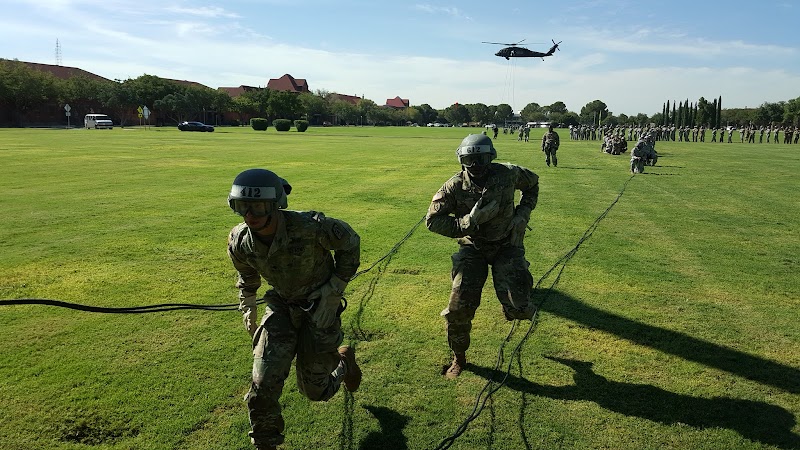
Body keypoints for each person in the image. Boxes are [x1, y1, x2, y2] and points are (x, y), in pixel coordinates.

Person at [227, 168, 362, 450]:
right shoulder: (240, 240)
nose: (250, 215)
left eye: (259, 207)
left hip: (320, 309)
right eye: (242, 207)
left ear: (276, 204)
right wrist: (248, 304)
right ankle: (266, 445)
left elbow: (350, 243)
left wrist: (335, 289)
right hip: (281, 309)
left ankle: (344, 362)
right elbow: (247, 274)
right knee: (262, 387)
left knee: (315, 391)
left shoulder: (311, 228)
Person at [425, 134, 539, 379]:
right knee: (458, 309)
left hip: (506, 245)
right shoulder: (454, 186)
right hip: (473, 249)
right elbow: (433, 222)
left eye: (481, 158)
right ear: (462, 161)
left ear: (491, 157)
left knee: (520, 307)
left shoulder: (508, 174)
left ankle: (512, 298)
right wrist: (469, 222)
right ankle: (459, 357)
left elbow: (532, 184)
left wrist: (523, 213)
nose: (476, 165)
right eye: (470, 159)